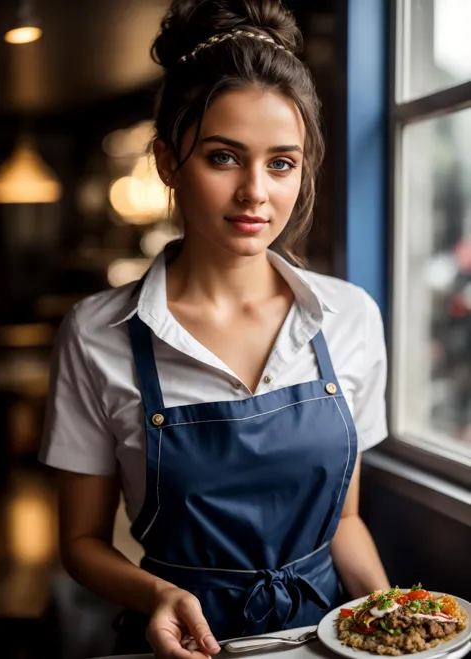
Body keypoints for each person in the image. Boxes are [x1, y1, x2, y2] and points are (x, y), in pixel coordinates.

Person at [39, 1, 391, 657]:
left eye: (281, 163)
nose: (256, 192)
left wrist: (391, 617)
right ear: (169, 162)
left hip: (326, 641)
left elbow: (344, 522)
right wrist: (157, 595)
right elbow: (81, 542)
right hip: (178, 643)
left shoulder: (351, 319)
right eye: (224, 157)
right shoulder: (98, 333)